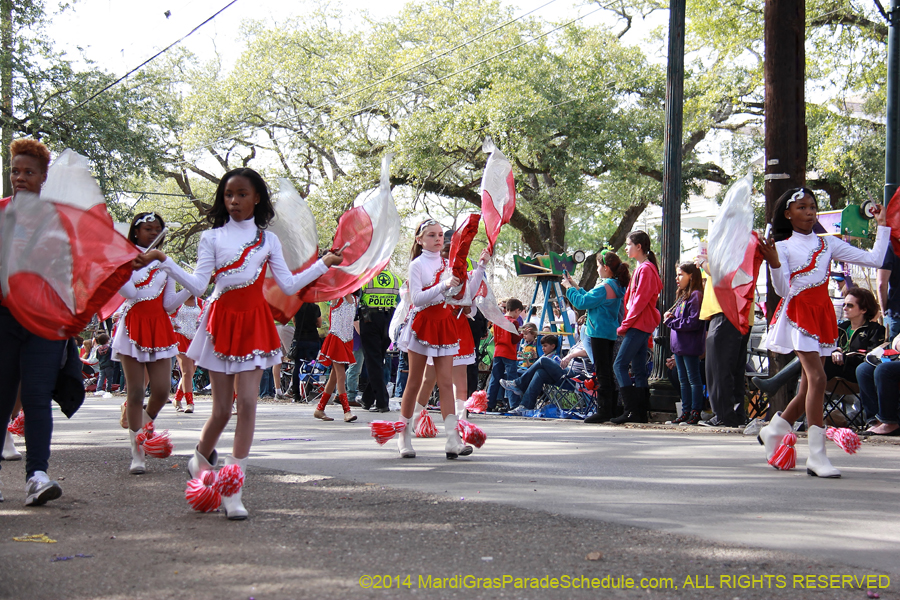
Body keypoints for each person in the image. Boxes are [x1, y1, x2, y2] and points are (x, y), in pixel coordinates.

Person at [143, 167, 343, 518]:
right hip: (221, 322)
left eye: (242, 194)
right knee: (221, 410)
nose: (234, 201)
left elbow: (290, 284)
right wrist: (166, 261)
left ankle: (234, 487)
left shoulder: (269, 241)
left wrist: (324, 263)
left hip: (254, 323)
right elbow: (198, 285)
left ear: (257, 199)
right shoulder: (212, 238)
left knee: (248, 402)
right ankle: (200, 459)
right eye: (228, 195)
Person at [757, 187, 888, 478]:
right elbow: (782, 289)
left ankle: (775, 429)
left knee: (808, 385)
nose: (809, 212)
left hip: (822, 313)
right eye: (802, 207)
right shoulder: (784, 246)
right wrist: (774, 262)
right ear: (788, 214)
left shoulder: (827, 244)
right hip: (798, 313)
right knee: (818, 378)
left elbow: (876, 259)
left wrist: (884, 227)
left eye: (813, 206)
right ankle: (816, 455)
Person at [0, 139, 64, 505]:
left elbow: (78, 265)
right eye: (15, 171)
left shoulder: (58, 219)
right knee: (1, 397)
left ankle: (37, 476)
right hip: (4, 318)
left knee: (38, 398)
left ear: (43, 177)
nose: (20, 178)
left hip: (43, 319)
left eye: (28, 172)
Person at [113, 212, 189, 475]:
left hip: (160, 328)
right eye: (147, 228)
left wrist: (191, 286)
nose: (153, 232)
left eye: (157, 228)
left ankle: (140, 429)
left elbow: (168, 304)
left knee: (161, 392)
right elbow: (132, 294)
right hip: (133, 326)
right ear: (136, 231)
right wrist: (120, 271)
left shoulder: (166, 262)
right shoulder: (124, 257)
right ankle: (137, 452)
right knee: (135, 392)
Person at [395, 219, 467, 459]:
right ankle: (403, 435)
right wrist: (444, 284)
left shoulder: (448, 263)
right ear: (419, 239)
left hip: (445, 324)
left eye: (440, 235)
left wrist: (463, 282)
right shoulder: (416, 265)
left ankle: (452, 439)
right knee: (414, 381)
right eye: (432, 235)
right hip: (423, 324)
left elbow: (458, 297)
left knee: (446, 382)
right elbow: (417, 298)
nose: (438, 239)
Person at [562, 249, 629, 423]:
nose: (597, 269)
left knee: (602, 372)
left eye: (598, 266)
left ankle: (604, 410)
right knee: (607, 371)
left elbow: (581, 302)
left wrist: (569, 289)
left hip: (598, 332)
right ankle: (612, 409)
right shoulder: (616, 285)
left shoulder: (605, 286)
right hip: (609, 332)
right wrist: (575, 285)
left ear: (606, 268)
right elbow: (591, 298)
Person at [610, 231, 662, 425]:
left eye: (628, 244)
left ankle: (631, 410)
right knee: (638, 369)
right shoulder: (645, 267)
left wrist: (625, 324)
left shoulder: (646, 269)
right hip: (641, 323)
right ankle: (639, 412)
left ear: (639, 246)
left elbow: (639, 301)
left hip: (638, 324)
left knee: (619, 365)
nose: (626, 247)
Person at [501, 336, 592, 414]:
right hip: (566, 372)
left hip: (577, 376)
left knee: (543, 360)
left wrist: (569, 356)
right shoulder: (580, 341)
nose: (580, 327)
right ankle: (525, 406)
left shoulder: (591, 340)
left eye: (583, 325)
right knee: (540, 373)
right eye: (580, 325)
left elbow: (587, 352)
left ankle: (519, 384)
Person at [664, 263, 705, 425]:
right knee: (683, 379)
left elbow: (693, 322)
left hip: (689, 345)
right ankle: (685, 410)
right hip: (679, 346)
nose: (677, 278)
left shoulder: (695, 295)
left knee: (693, 379)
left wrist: (672, 321)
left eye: (681, 274)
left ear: (691, 276)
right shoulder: (683, 296)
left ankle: (695, 411)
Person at [358, 269, 401, 412]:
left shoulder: (366, 276)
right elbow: (399, 301)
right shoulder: (394, 278)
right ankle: (367, 399)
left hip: (369, 318)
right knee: (378, 360)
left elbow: (356, 297)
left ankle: (382, 402)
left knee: (373, 361)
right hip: (388, 319)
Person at [313, 293, 359, 422]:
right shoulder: (337, 297)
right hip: (336, 339)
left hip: (347, 340)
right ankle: (347, 411)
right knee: (340, 375)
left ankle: (320, 408)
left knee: (334, 377)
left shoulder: (355, 299)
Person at [825, 287, 884, 384]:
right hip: (836, 369)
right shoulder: (840, 328)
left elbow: (872, 357)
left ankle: (804, 394)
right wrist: (834, 351)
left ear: (863, 310)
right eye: (844, 304)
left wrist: (843, 357)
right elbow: (829, 345)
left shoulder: (875, 330)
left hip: (859, 373)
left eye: (850, 305)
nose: (844, 308)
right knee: (813, 358)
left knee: (821, 362)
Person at [486, 298, 524, 411]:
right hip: (508, 353)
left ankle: (489, 403)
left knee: (495, 377)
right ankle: (514, 404)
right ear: (517, 310)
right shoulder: (514, 322)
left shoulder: (498, 320)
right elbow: (513, 339)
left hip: (498, 351)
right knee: (511, 379)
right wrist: (522, 334)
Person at [171, 295, 203, 412]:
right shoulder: (178, 301)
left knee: (190, 373)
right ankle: (190, 403)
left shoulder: (200, 303)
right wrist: (172, 323)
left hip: (196, 340)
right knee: (186, 371)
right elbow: (167, 314)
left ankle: (177, 399)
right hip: (181, 337)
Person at [290, 301, 323, 399]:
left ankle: (296, 393)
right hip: (312, 340)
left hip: (299, 340)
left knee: (297, 366)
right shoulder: (315, 308)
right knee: (311, 365)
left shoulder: (296, 306)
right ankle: (309, 391)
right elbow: (319, 324)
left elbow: (294, 321)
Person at [94, 333, 115, 398]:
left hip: (101, 365)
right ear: (107, 340)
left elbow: (97, 357)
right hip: (109, 365)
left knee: (101, 377)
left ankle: (98, 389)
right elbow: (112, 356)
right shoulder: (109, 349)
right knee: (109, 378)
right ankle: (108, 389)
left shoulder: (98, 349)